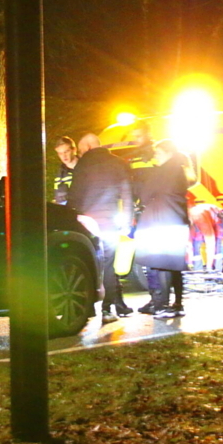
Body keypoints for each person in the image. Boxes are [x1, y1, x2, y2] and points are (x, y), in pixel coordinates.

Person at [66, 133, 134, 324]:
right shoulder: (118, 163)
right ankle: (107, 310)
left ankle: (86, 308)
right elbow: (127, 193)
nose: (80, 153)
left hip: (87, 224)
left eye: (81, 149)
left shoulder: (83, 165)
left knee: (87, 264)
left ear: (87, 147)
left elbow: (75, 195)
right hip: (110, 223)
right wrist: (127, 221)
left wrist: (71, 217)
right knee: (109, 266)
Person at [134, 139, 191, 318]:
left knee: (160, 264)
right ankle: (177, 303)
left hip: (161, 223)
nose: (155, 157)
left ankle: (161, 306)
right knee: (174, 264)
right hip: (176, 222)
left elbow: (144, 195)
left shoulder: (163, 171)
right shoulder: (180, 170)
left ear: (168, 153)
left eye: (158, 153)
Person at [52, 136, 78, 205]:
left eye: (66, 151)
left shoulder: (87, 167)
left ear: (74, 150)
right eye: (60, 153)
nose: (64, 156)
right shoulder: (60, 174)